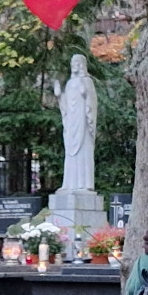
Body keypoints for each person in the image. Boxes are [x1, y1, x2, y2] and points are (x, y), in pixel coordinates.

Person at [54, 54, 97, 192]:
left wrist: (86, 95)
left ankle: (85, 184)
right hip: (71, 123)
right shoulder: (69, 83)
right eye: (73, 62)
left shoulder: (87, 82)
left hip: (83, 122)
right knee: (70, 154)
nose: (75, 65)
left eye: (77, 62)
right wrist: (59, 96)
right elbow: (65, 108)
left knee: (84, 152)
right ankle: (69, 184)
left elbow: (92, 103)